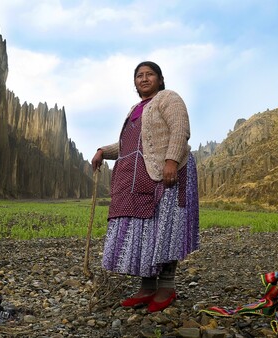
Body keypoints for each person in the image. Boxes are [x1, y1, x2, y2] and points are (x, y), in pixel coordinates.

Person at [91, 61, 200, 313]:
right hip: (142, 180)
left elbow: (180, 130)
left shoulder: (168, 98)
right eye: (139, 75)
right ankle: (148, 288)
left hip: (168, 174)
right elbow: (130, 145)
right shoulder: (135, 109)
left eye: (149, 74)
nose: (143, 78)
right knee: (146, 233)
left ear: (160, 79)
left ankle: (167, 288)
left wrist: (171, 161)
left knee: (166, 230)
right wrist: (102, 151)